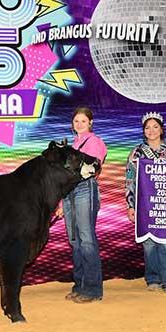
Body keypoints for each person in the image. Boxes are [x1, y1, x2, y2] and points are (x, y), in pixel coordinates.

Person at [125, 112, 166, 295]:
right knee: (148, 242)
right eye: (147, 127)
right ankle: (153, 279)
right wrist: (130, 204)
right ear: (143, 130)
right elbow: (129, 180)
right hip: (144, 203)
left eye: (155, 127)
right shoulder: (137, 152)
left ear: (162, 129)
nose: (151, 130)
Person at [58, 107, 107, 303]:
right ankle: (80, 285)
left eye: (83, 121)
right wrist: (61, 201)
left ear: (90, 123)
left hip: (85, 189)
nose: (79, 124)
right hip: (69, 192)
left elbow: (92, 167)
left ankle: (93, 289)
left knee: (86, 239)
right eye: (76, 121)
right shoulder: (73, 144)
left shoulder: (93, 142)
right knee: (75, 240)